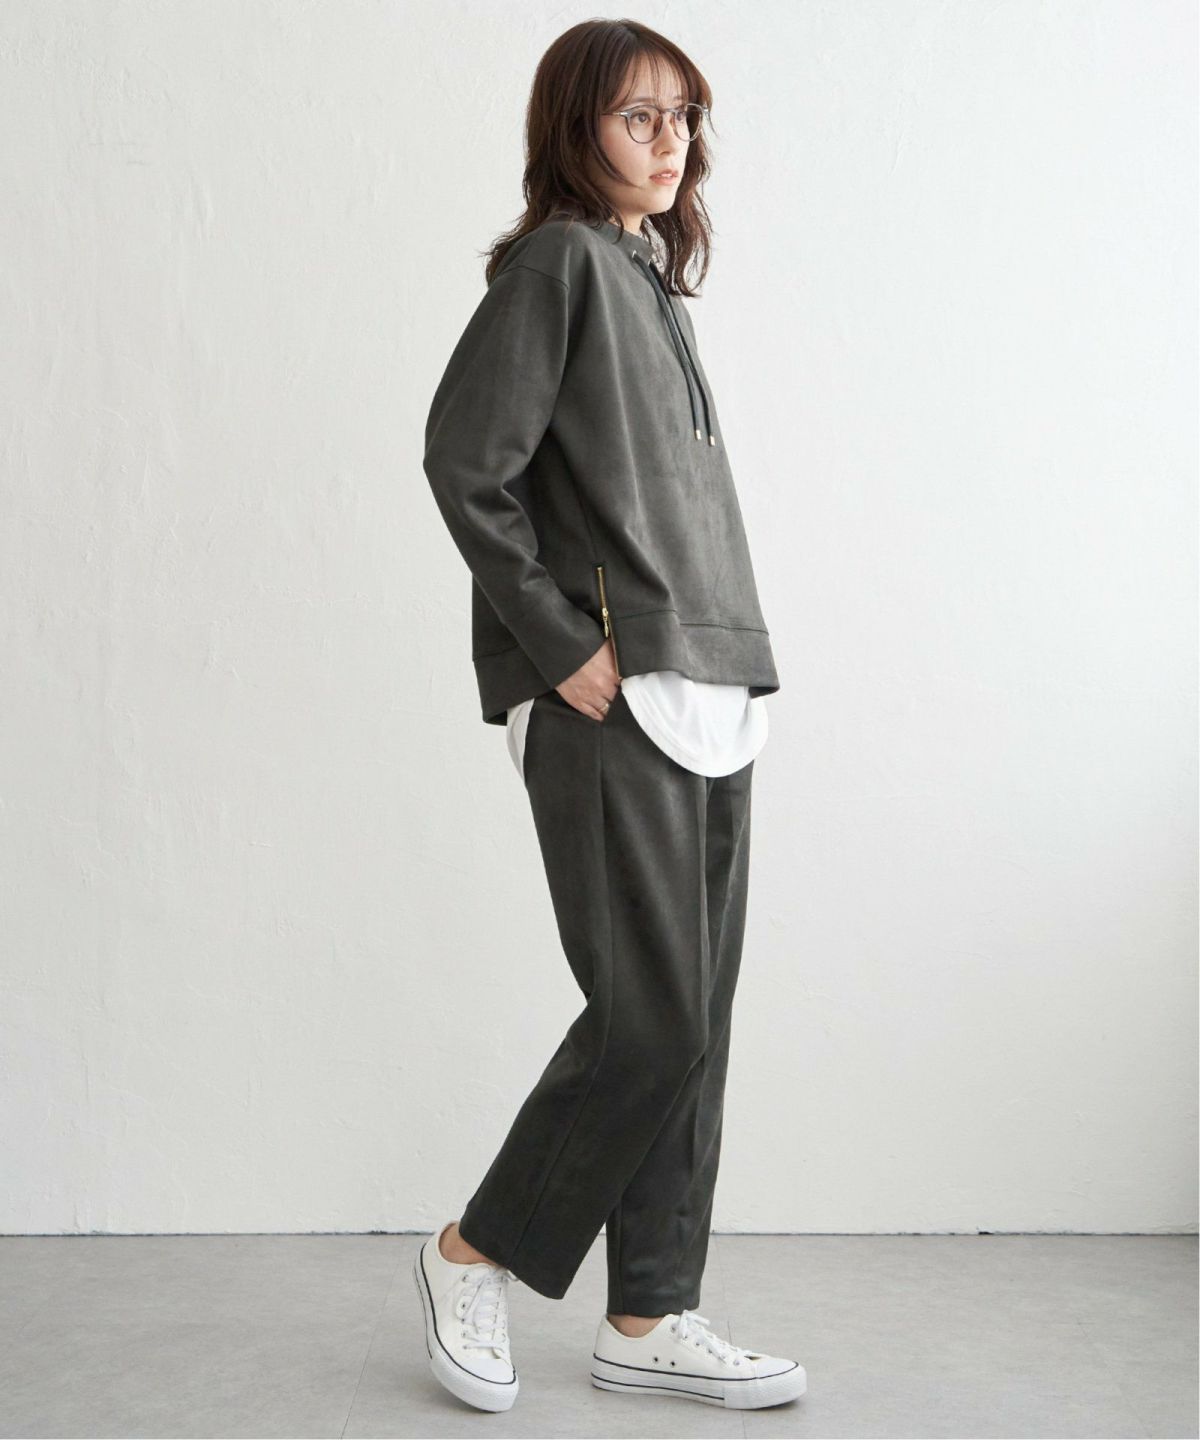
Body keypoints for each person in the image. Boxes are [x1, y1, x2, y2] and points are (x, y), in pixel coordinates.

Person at [414, 17, 807, 1415]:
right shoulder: (561, 265)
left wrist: (724, 660)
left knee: (695, 1025)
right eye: (639, 116)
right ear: (575, 129)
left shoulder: (653, 285)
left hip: (712, 684)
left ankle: (648, 1312)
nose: (669, 140)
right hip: (613, 693)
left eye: (683, 116)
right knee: (652, 1019)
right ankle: (471, 1253)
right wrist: (558, 646)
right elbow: (465, 461)